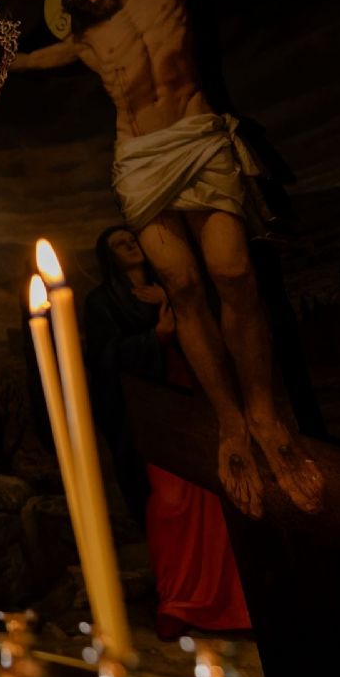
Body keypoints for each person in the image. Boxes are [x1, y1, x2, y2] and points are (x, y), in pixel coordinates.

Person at [12, 0, 332, 520]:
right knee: (183, 284)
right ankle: (230, 420)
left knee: (231, 270)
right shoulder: (86, 44)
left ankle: (267, 410)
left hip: (196, 137)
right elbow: (12, 61)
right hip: (140, 161)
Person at [85, 226, 249, 639]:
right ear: (110, 259)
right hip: (151, 415)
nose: (131, 245)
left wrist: (173, 302)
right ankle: (177, 601)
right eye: (120, 244)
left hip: (196, 403)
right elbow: (103, 359)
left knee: (216, 498)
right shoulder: (103, 302)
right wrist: (153, 338)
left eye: (132, 237)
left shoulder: (171, 285)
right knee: (170, 504)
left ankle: (232, 605)